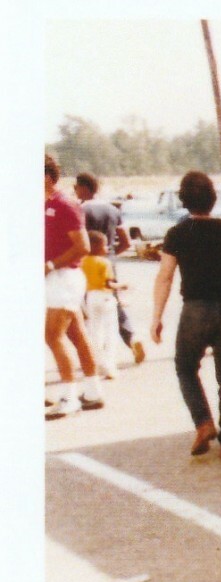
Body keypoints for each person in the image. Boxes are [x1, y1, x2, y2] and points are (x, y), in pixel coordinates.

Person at [151, 170, 221, 461]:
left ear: (184, 200)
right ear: (213, 199)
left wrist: (156, 316)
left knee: (185, 368)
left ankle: (203, 423)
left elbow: (164, 277)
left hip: (194, 310)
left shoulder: (177, 233)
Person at [45, 154, 105, 420]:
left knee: (52, 335)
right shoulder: (43, 204)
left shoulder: (65, 204)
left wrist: (50, 265)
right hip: (57, 278)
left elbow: (83, 246)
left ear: (46, 177)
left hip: (64, 277)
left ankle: (69, 397)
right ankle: (92, 392)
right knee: (77, 335)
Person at [74, 171, 146, 369]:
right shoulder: (112, 210)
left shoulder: (80, 210)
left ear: (84, 188)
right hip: (108, 260)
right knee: (111, 302)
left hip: (85, 263)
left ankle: (94, 355)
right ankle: (131, 337)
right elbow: (125, 240)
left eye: (76, 187)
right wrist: (111, 254)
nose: (74, 191)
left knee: (89, 309)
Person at [81, 231, 125, 382]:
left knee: (95, 331)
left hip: (90, 298)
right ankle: (110, 366)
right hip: (105, 297)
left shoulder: (83, 261)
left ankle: (97, 363)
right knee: (110, 332)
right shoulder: (104, 262)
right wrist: (123, 286)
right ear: (98, 247)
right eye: (104, 245)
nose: (107, 248)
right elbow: (108, 284)